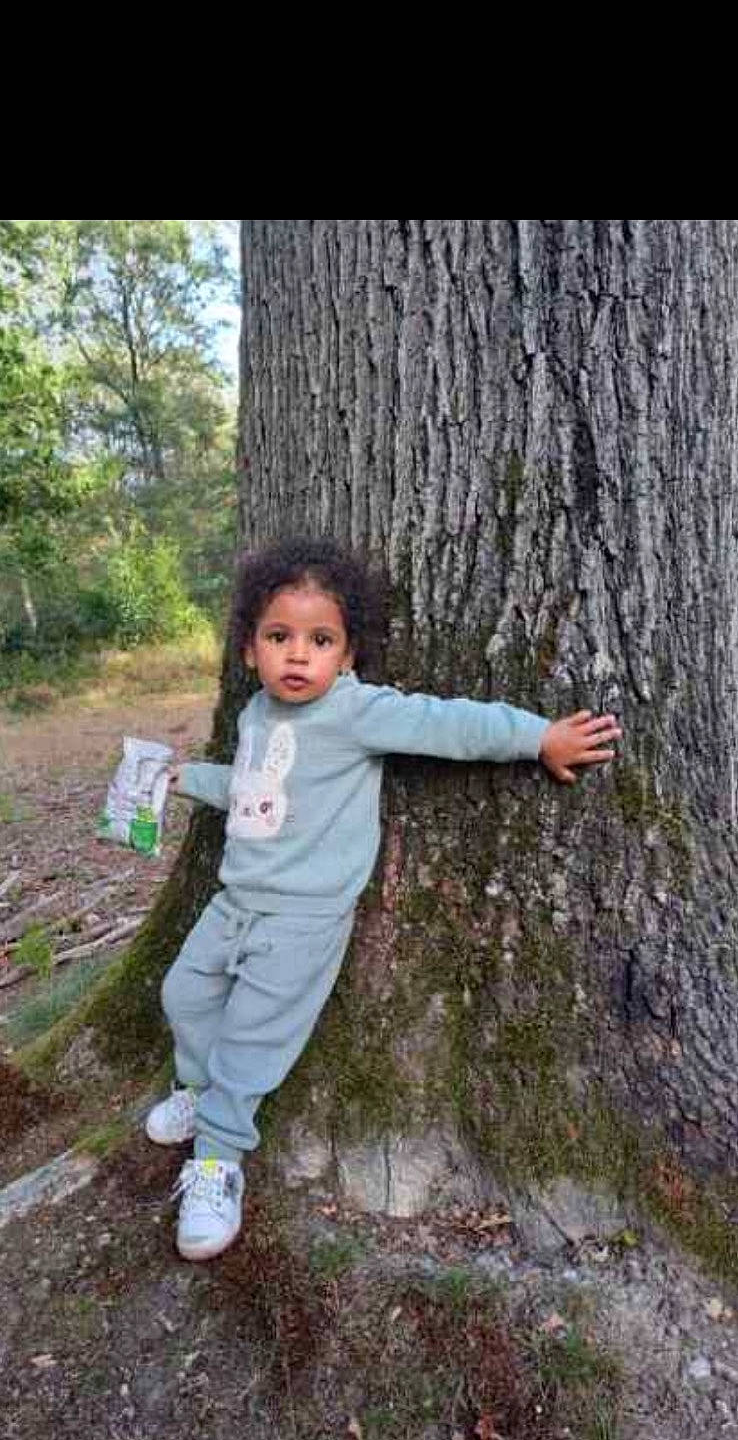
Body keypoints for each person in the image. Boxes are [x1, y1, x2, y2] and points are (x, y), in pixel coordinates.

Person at [148, 538, 622, 1262]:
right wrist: (188, 780)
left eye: (320, 640)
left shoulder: (355, 711)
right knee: (183, 994)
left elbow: (446, 723)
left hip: (302, 920)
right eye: (279, 637)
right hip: (235, 901)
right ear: (249, 650)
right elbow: (251, 788)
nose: (298, 655)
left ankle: (217, 1160)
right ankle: (196, 1089)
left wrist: (537, 739)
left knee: (250, 1041)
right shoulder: (255, 715)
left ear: (347, 656)